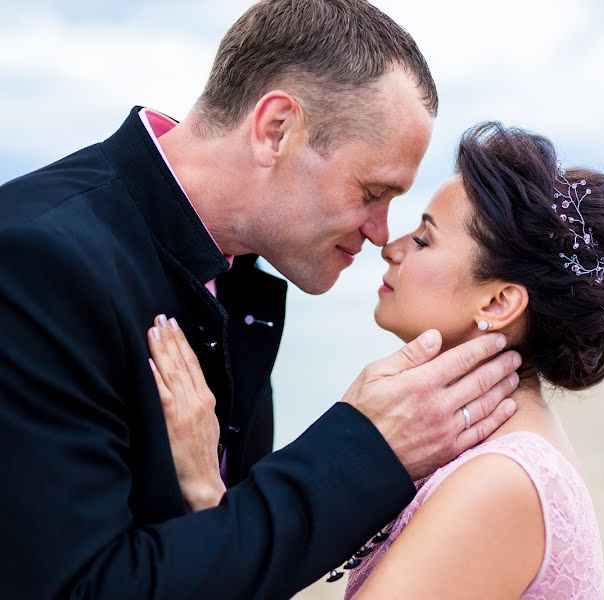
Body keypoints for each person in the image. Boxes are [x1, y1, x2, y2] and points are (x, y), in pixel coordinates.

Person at [0, 1, 521, 598]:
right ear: (276, 129)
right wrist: (363, 448)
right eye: (372, 191)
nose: (382, 232)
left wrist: (212, 499)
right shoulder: (35, 260)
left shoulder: (240, 275)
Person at [150, 122, 604, 597]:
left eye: (425, 239)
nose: (390, 246)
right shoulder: (478, 445)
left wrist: (205, 492)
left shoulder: (501, 481)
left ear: (498, 304)